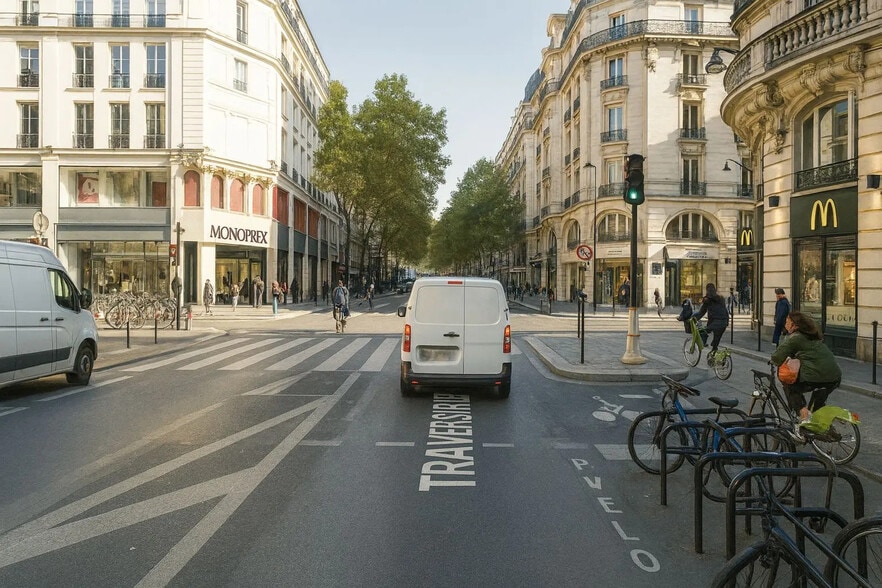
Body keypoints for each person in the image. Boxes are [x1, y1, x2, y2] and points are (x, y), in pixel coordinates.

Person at [770, 311, 842, 425]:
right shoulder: (814, 336)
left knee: (789, 386)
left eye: (787, 321)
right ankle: (819, 427)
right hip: (834, 376)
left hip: (816, 377)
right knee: (817, 407)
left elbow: (777, 357)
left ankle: (802, 412)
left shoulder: (795, 338)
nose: (785, 324)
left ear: (795, 325)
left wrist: (773, 361)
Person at [692, 283, 729, 364]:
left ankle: (703, 344)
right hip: (724, 322)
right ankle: (716, 358)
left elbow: (701, 312)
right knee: (715, 342)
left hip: (715, 322)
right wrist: (727, 322)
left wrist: (694, 319)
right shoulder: (721, 298)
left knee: (702, 331)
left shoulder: (707, 299)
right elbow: (725, 311)